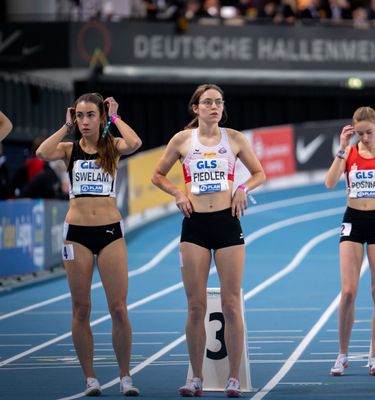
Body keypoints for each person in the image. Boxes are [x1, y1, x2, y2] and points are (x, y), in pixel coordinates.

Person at [151, 84, 265, 398]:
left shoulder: (235, 139)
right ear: (196, 108)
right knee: (195, 306)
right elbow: (157, 175)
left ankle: (232, 378)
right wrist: (177, 193)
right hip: (195, 227)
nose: (213, 106)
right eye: (207, 102)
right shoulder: (183, 140)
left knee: (231, 304)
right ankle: (196, 378)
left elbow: (259, 173)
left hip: (228, 225)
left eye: (218, 102)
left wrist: (243, 188)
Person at [36, 93, 142, 396]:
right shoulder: (69, 150)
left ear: (101, 117)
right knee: (81, 309)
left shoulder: (113, 148)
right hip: (76, 235)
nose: (84, 121)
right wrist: (64, 126)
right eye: (79, 116)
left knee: (118, 308)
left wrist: (116, 117)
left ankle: (125, 376)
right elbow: (42, 152)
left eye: (90, 115)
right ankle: (90, 378)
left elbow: (135, 143)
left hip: (109, 232)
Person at [324, 106, 375, 377]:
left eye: (368, 132)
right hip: (353, 221)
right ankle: (342, 355)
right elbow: (329, 183)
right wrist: (342, 147)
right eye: (359, 133)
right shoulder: (348, 153)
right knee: (348, 291)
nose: (365, 138)